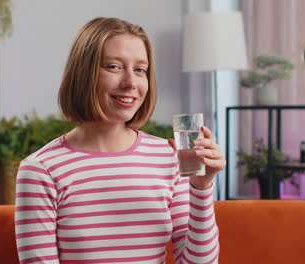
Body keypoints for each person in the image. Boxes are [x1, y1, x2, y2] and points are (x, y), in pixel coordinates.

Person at [15, 17, 225, 264]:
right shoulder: (41, 170)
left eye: (140, 70)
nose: (131, 83)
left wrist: (201, 188)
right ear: (84, 74)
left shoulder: (169, 157)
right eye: (113, 67)